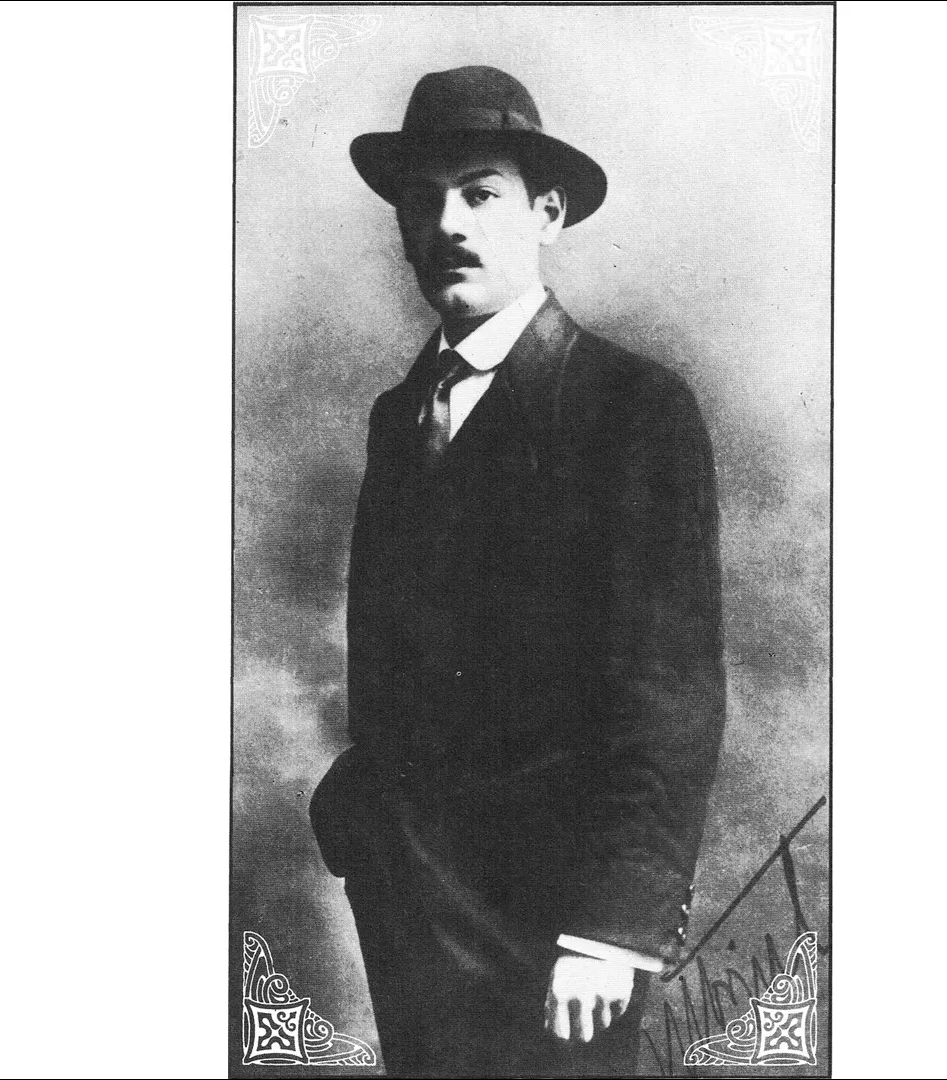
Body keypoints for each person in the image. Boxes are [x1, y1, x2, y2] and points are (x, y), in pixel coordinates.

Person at [308, 65, 727, 1077]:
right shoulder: (399, 416)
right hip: (406, 906)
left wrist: (610, 930)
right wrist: (356, 813)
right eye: (422, 199)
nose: (446, 223)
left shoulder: (631, 407)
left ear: (547, 213)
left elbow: (668, 698)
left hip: (553, 934)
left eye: (480, 193)